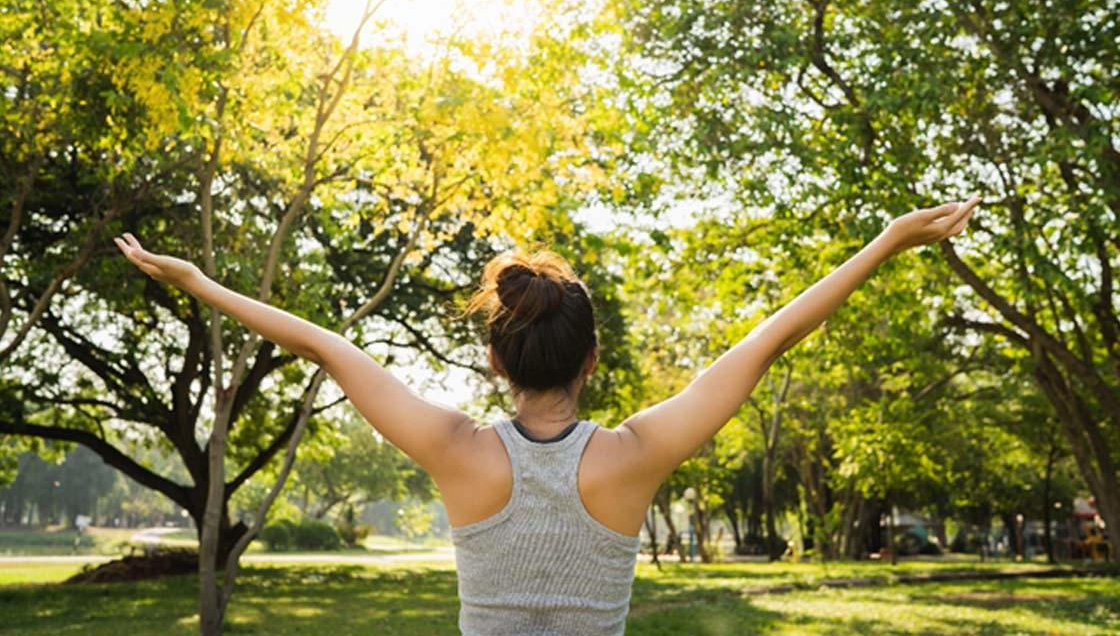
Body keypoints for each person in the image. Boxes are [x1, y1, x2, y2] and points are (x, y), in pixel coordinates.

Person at [115, 196, 980, 635]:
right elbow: (767, 342)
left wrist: (199, 283)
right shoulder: (634, 456)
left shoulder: (455, 451)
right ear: (592, 361)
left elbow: (328, 348)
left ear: (494, 360)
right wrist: (886, 241)